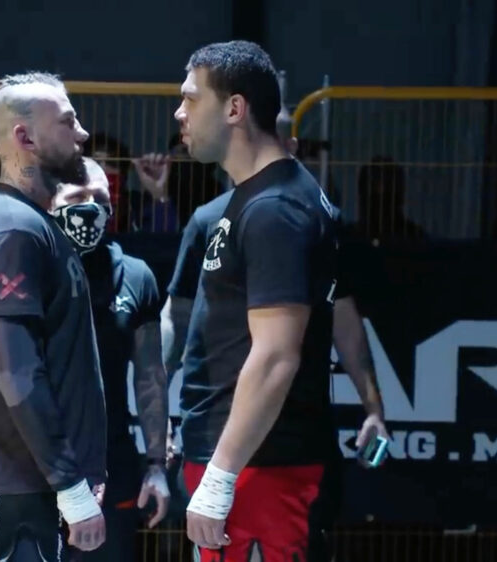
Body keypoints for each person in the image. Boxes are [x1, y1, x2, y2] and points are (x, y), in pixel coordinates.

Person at [161, 112, 389, 561]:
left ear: (292, 147)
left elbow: (341, 321)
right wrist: (161, 421)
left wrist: (374, 409)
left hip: (290, 447)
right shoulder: (207, 221)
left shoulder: (318, 219)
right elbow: (178, 317)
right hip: (213, 440)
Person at [172, 40, 342, 561]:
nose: (179, 113)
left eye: (191, 98)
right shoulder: (255, 199)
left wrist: (221, 476)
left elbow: (275, 355)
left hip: (262, 469)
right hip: (243, 461)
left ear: (234, 108)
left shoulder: (276, 209)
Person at [0, 71, 107, 562]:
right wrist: (70, 485)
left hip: (35, 489)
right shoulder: (11, 230)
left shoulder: (29, 223)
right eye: (68, 122)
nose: (82, 133)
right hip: (22, 494)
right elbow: (16, 372)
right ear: (26, 138)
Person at [47, 157, 171, 562]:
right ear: (50, 203)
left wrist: (156, 463)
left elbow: (150, 376)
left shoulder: (134, 276)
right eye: (77, 197)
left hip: (110, 461)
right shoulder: (28, 269)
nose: (89, 208)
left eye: (99, 199)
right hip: (37, 462)